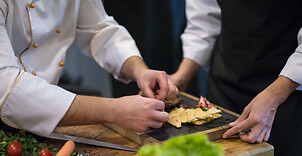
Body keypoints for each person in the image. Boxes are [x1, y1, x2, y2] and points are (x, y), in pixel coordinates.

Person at [171, 0, 302, 156]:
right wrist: (182, 76)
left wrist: (274, 96)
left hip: (292, 92)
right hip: (225, 82)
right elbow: (205, 15)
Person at [0, 0, 178, 137]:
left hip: (47, 114)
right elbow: (7, 86)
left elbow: (100, 30)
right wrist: (113, 111)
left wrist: (140, 71)